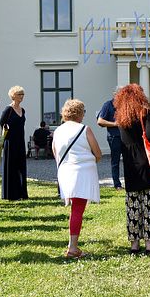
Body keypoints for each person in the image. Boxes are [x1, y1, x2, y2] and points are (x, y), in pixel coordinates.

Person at [114, 84, 150, 255]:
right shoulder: (145, 113)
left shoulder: (122, 118)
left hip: (131, 167)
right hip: (149, 165)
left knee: (133, 207)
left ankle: (134, 245)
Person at [52, 99, 102, 258]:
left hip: (65, 172)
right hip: (82, 173)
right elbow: (98, 153)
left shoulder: (58, 130)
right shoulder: (85, 129)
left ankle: (72, 245)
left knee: (76, 209)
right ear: (80, 113)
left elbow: (55, 153)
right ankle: (72, 247)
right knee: (77, 210)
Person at [0, 85, 28, 201]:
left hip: (20, 141)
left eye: (22, 94)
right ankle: (10, 194)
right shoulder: (8, 110)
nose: (21, 97)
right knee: (11, 167)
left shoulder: (23, 110)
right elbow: (0, 124)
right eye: (19, 94)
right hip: (10, 142)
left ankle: (22, 193)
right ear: (13, 96)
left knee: (21, 166)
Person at [97, 86, 124, 190]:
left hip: (126, 138)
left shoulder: (126, 106)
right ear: (116, 94)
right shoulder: (107, 105)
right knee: (115, 161)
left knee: (129, 161)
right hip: (114, 137)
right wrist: (115, 124)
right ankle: (117, 184)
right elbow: (100, 121)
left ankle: (130, 182)